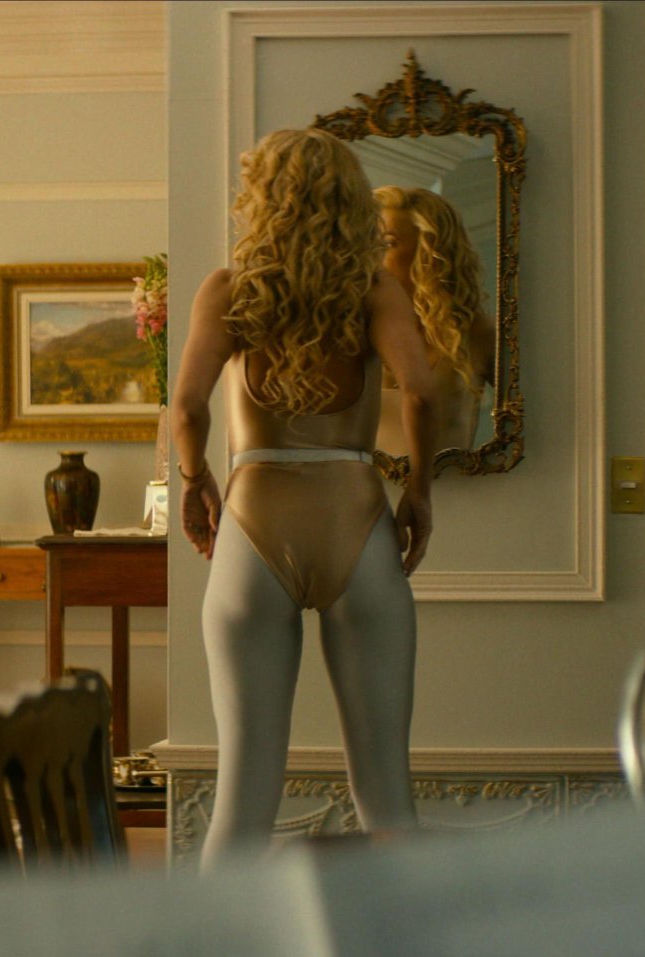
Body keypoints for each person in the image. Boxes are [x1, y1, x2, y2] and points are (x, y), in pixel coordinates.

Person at [171, 127, 440, 865]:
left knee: (241, 804)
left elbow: (188, 409)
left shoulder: (228, 290)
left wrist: (195, 481)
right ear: (350, 200)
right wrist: (418, 489)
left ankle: (218, 932)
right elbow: (421, 392)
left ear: (260, 198)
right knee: (388, 801)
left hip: (253, 519)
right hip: (356, 515)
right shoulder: (374, 289)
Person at [372, 186, 497, 460]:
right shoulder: (353, 334)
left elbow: (537, 419)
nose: (372, 257)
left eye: (388, 244)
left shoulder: (477, 333)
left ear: (429, 253)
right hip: (364, 487)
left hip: (451, 486)